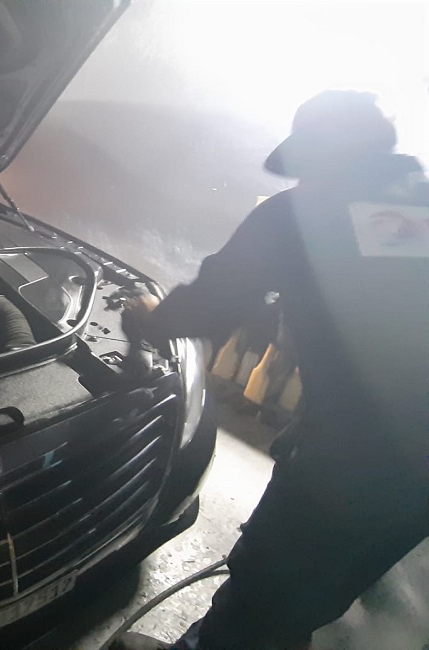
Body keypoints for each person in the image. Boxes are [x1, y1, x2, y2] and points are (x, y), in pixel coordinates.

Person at [112, 90, 429, 650]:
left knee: (269, 583)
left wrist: (150, 317)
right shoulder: (419, 204)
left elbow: (210, 305)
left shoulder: (300, 214)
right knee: (322, 587)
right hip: (413, 481)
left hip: (351, 458)